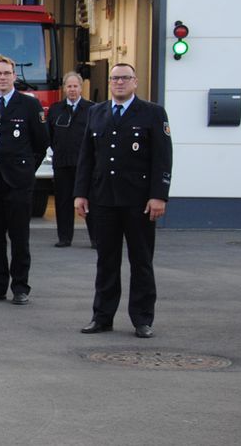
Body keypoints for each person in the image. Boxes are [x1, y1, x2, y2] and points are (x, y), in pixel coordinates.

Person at [75, 63, 172, 339]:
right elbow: (87, 157)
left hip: (138, 200)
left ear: (135, 82)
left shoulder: (152, 113)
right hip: (103, 199)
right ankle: (102, 316)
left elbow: (162, 157)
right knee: (106, 261)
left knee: (141, 260)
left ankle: (142, 319)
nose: (119, 83)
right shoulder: (97, 112)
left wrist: (158, 195)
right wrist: (80, 193)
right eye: (115, 78)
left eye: (125, 78)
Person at [0, 55, 49, 306]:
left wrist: (26, 171)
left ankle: (20, 287)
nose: (2, 77)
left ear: (15, 76)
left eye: (7, 73)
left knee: (19, 237)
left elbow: (41, 142)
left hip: (18, 183)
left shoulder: (29, 105)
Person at [47, 72, 94, 248]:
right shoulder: (55, 109)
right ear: (64, 88)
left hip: (85, 165)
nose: (72, 89)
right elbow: (49, 136)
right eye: (69, 86)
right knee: (63, 201)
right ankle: (64, 237)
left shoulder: (92, 109)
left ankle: (95, 239)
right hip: (62, 163)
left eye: (75, 86)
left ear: (81, 88)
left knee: (88, 201)